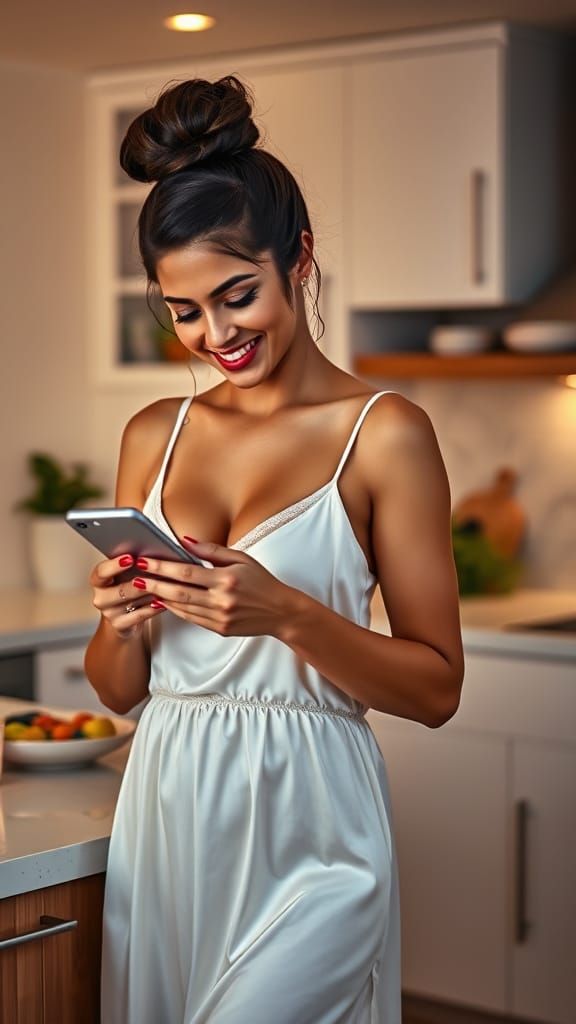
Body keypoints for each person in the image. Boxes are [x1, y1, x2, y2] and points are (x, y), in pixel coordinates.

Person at [84, 74, 464, 1024]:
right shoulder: (151, 435)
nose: (216, 335)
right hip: (169, 801)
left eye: (236, 294)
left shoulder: (384, 432)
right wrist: (121, 622)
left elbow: (436, 687)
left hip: (314, 827)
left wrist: (283, 612)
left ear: (298, 258)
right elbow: (119, 689)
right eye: (184, 311)